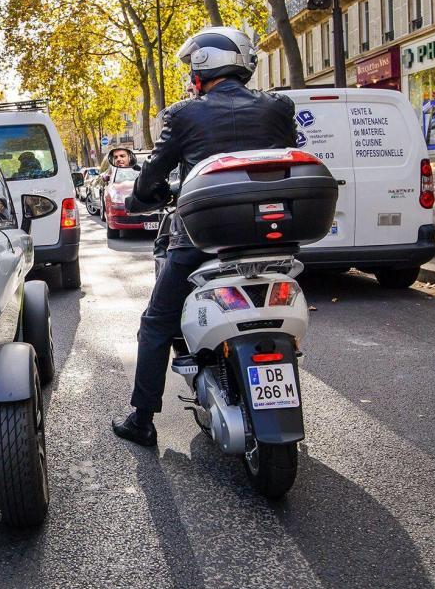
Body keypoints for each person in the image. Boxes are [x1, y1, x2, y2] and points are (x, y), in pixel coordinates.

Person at [111, 26, 298, 447]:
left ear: (202, 65)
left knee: (157, 321)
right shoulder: (278, 108)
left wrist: (146, 197)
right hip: (271, 239)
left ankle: (142, 420)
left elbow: (151, 177)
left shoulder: (183, 115)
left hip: (201, 240)